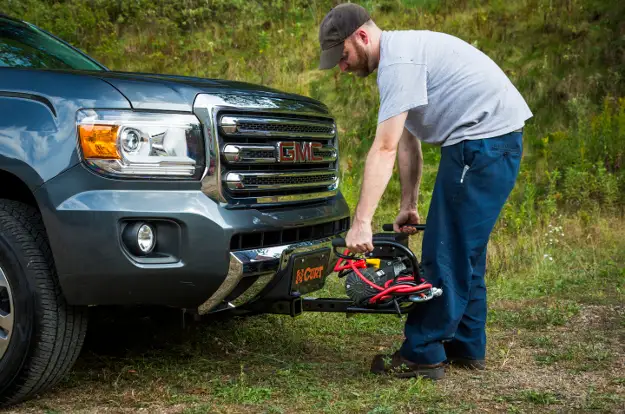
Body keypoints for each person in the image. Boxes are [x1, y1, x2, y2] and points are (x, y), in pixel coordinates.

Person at [317, 3, 532, 380]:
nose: (342, 66)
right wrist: (408, 204)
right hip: (490, 141)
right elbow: (405, 143)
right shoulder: (401, 57)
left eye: (344, 55)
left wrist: (361, 223)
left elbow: (382, 148)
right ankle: (465, 346)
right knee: (465, 249)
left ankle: (422, 354)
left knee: (444, 249)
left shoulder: (399, 65)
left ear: (362, 36)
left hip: (481, 143)